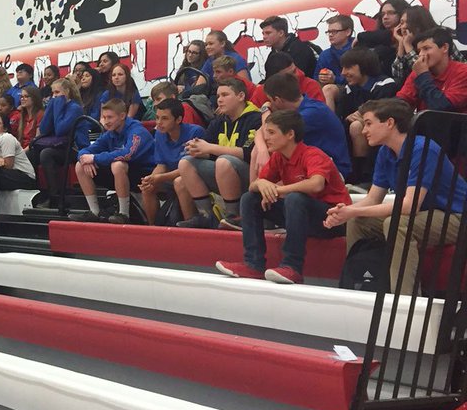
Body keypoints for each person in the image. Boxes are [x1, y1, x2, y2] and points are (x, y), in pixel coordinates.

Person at [323, 99, 466, 295]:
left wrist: (352, 210)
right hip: (428, 215)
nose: (363, 130)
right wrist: (345, 212)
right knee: (358, 221)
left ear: (389, 123)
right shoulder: (385, 152)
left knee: (398, 224)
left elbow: (409, 206)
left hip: (458, 217)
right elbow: (372, 199)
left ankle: (404, 298)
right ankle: (358, 285)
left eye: (368, 123)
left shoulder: (423, 149)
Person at [215, 110, 351, 283]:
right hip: (301, 215)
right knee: (250, 198)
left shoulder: (313, 154)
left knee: (295, 198)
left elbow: (316, 184)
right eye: (266, 133)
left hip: (333, 220)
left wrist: (278, 190)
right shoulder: (279, 157)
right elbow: (253, 186)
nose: (266, 138)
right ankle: (253, 264)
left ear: (290, 134)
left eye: (272, 133)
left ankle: (292, 267)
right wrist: (261, 183)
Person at [175, 79, 261, 229]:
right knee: (186, 162)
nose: (219, 100)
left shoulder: (256, 118)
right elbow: (209, 151)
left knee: (223, 161)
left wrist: (209, 148)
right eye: (218, 95)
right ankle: (206, 216)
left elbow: (247, 153)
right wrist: (198, 149)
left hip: (251, 176)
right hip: (224, 174)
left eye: (225, 95)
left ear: (241, 96)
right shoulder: (219, 121)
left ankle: (233, 216)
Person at [253, 71, 352, 182]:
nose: (270, 104)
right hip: (305, 166)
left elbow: (267, 130)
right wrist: (262, 150)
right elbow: (261, 131)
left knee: (272, 152)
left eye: (270, 100)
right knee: (259, 151)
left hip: (332, 171)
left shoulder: (311, 113)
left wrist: (265, 110)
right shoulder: (303, 107)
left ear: (278, 100)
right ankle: (255, 190)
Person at [69, 99, 155, 223]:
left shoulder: (137, 131)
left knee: (118, 165)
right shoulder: (111, 133)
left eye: (110, 117)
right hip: (122, 175)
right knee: (80, 165)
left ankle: (124, 214)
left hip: (145, 175)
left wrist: (94, 158)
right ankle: (94, 212)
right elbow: (86, 150)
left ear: (122, 116)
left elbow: (127, 154)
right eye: (104, 117)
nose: (106, 121)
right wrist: (84, 158)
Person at [139, 99, 206, 224]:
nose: (159, 122)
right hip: (169, 177)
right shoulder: (159, 134)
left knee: (179, 182)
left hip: (194, 177)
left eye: (164, 118)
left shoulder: (195, 132)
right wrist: (150, 179)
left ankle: (189, 224)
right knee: (148, 187)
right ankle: (152, 227)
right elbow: (161, 165)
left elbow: (189, 167)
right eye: (157, 118)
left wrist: (159, 178)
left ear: (178, 119)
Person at [339, 48, 400, 180]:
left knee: (357, 126)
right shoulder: (349, 88)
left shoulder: (385, 84)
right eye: (342, 68)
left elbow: (383, 114)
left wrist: (363, 118)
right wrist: (348, 117)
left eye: (348, 68)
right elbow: (344, 115)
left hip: (386, 128)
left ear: (364, 66)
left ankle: (363, 176)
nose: (343, 73)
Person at [34, 78, 90, 208]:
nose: (54, 96)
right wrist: (51, 107)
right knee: (32, 153)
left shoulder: (74, 108)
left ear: (67, 92)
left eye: (57, 92)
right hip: (60, 146)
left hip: (75, 148)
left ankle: (55, 197)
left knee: (46, 154)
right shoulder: (55, 105)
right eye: (53, 93)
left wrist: (57, 105)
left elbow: (60, 130)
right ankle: (39, 194)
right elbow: (44, 129)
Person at [0, 114, 39, 221]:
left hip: (24, 177)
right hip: (5, 175)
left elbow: (8, 164)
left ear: (4, 128)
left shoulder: (7, 138)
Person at [396, 27, 467, 112]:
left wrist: (423, 76)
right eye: (419, 51)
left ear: (444, 48)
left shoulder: (463, 72)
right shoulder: (418, 72)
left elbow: (441, 107)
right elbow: (402, 101)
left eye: (426, 48)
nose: (421, 54)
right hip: (425, 120)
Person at [389, 6, 443, 84]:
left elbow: (421, 71)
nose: (404, 27)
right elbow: (397, 74)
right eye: (402, 23)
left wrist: (408, 45)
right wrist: (401, 43)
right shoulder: (406, 41)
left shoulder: (437, 37)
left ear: (420, 24)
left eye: (408, 22)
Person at [248, 52, 323, 107]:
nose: (297, 75)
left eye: (295, 70)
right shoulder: (262, 92)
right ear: (275, 80)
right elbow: (250, 117)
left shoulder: (310, 86)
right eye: (289, 76)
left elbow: (318, 114)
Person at [356, 0, 410, 74]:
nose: (385, 17)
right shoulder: (376, 38)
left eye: (391, 13)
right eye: (383, 14)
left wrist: (360, 36)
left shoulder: (409, 35)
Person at [315, 14, 355, 110]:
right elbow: (315, 79)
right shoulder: (325, 55)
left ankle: (330, 120)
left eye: (334, 31)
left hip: (355, 88)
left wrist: (335, 79)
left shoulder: (356, 50)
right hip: (333, 89)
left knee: (328, 89)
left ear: (348, 32)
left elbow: (358, 78)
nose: (330, 35)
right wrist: (321, 78)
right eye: (328, 32)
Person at [12, 86, 45, 151]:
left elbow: (37, 139)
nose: (22, 99)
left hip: (32, 149)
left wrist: (22, 153)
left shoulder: (40, 114)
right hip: (22, 148)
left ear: (34, 98)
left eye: (26, 96)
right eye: (21, 97)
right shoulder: (23, 115)